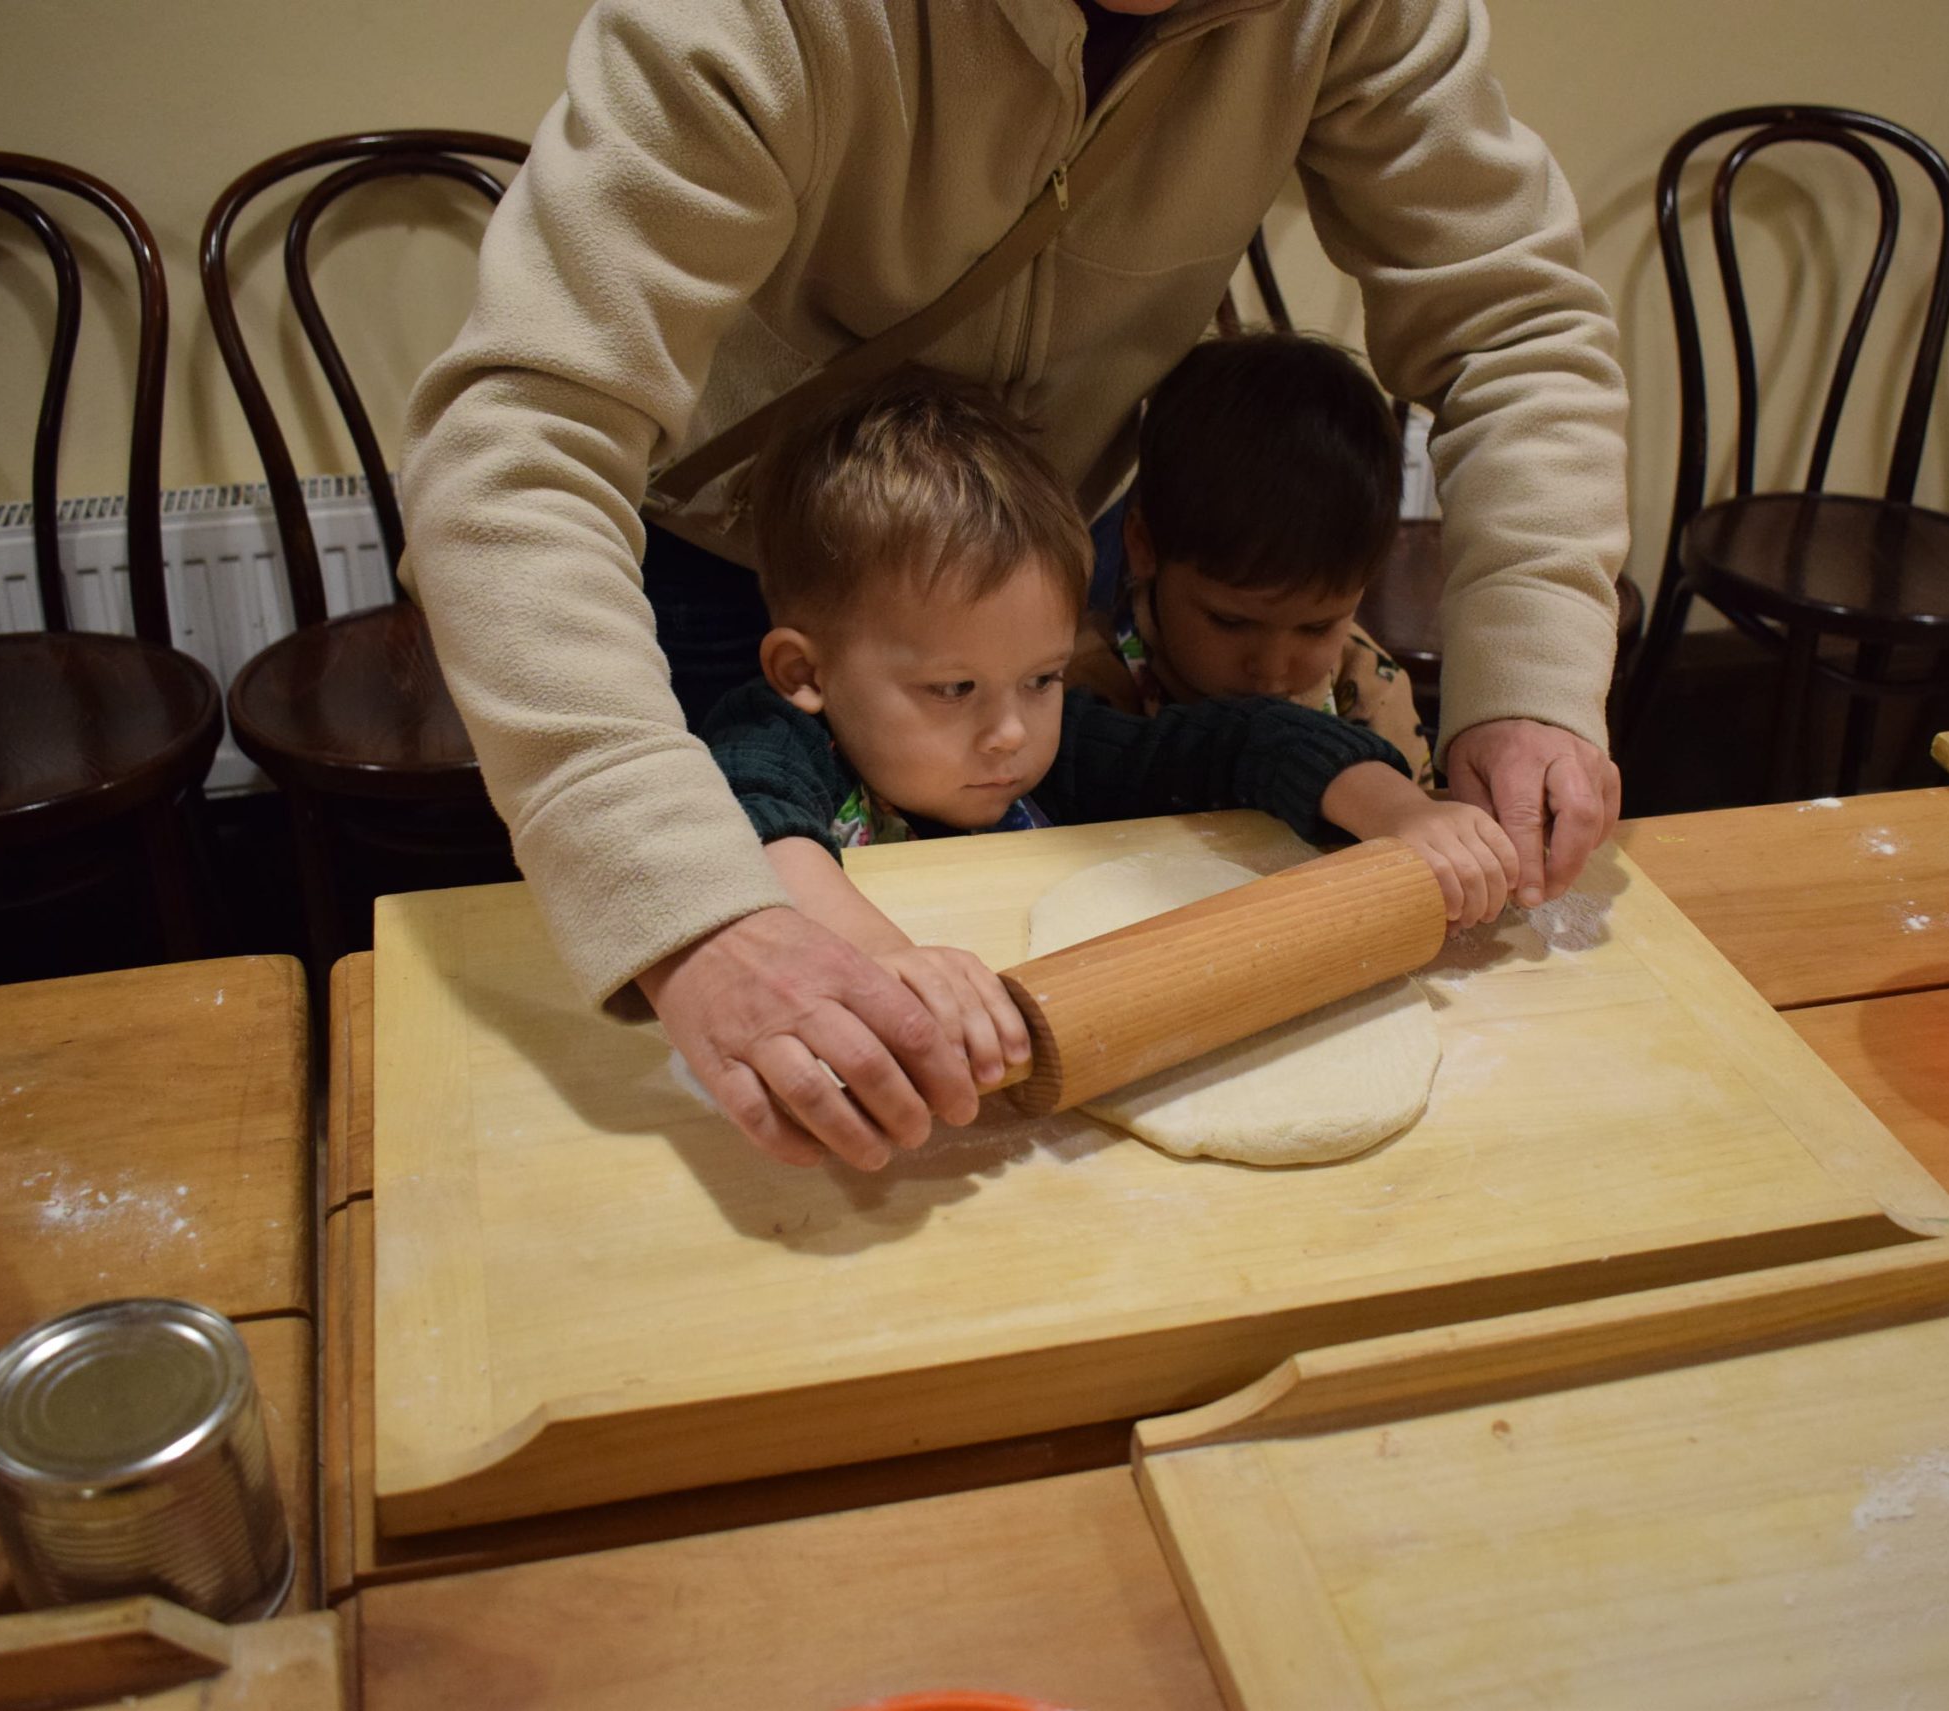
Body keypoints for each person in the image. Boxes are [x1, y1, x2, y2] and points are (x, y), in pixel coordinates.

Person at [399, 0, 1629, 1169]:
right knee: (748, 1052)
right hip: (719, 551)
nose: (1010, 731)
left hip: (1031, 536)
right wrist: (693, 908)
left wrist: (1527, 685)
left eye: (1037, 689)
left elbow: (1514, 327)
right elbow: (519, 445)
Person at [697, 370, 1516, 1163]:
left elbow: (1237, 744)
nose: (1010, 734)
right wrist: (875, 957)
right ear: (804, 672)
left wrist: (1400, 810)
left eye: (1042, 679)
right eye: (954, 689)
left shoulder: (1065, 757)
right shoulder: (780, 742)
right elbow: (743, 823)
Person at [1065, 330, 1433, 776]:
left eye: (1316, 628)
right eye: (1230, 621)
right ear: (1143, 546)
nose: (1271, 672)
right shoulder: (1077, 688)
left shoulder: (1371, 686)